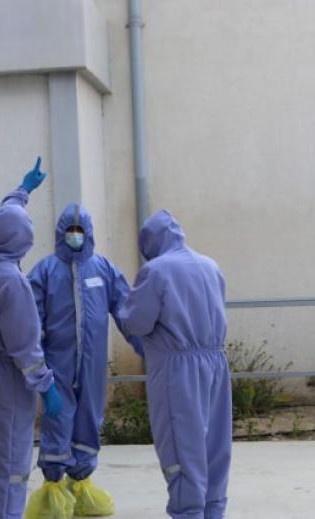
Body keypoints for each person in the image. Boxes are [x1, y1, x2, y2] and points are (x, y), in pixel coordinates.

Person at [25, 204, 143, 518]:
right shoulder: (45, 271)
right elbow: (30, 322)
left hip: (92, 367)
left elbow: (126, 311)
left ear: (88, 233)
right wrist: (36, 367)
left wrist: (145, 345)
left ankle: (81, 484)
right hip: (57, 366)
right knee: (57, 422)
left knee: (89, 419)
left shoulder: (103, 269)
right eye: (70, 230)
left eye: (80, 230)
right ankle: (53, 489)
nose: (75, 235)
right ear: (60, 233)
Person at [118, 210, 231, 519]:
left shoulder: (156, 271)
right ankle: (213, 511)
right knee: (214, 447)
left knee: (182, 448)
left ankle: (188, 513)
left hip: (177, 369)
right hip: (216, 364)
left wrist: (122, 305)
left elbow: (137, 322)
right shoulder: (210, 266)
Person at [0, 158, 63, 519]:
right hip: (9, 376)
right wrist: (46, 386)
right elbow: (25, 346)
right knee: (12, 457)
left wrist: (22, 191)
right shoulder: (13, 283)